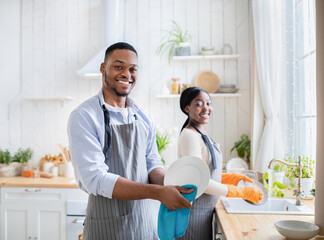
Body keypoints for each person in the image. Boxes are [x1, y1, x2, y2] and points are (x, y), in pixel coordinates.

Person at [67, 42, 194, 240]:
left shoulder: (143, 117)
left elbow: (152, 163)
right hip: (107, 227)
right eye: (119, 66)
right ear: (103, 68)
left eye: (132, 69)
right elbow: (95, 179)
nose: (127, 73)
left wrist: (171, 183)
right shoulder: (84, 116)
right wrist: (159, 193)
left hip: (146, 224)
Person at [177, 87, 263, 239]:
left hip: (204, 211)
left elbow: (205, 171)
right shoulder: (189, 135)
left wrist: (231, 178)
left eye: (208, 103)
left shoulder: (201, 134)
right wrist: (239, 192)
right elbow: (198, 181)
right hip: (193, 212)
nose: (206, 108)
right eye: (199, 104)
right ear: (186, 108)